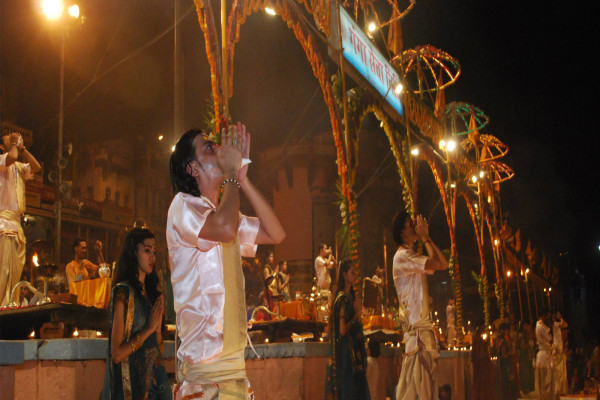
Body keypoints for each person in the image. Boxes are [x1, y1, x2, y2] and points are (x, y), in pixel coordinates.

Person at [167, 124, 285, 400]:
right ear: (192, 169)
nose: (218, 150)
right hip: (204, 376)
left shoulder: (227, 216)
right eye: (208, 147)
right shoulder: (182, 206)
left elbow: (275, 233)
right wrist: (231, 177)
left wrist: (242, 179)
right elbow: (224, 230)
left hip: (234, 371)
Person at [100, 227, 171, 399]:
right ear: (133, 252)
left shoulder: (150, 294)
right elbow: (117, 354)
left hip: (153, 387)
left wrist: (157, 328)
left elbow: (157, 347)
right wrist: (148, 329)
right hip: (131, 389)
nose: (152, 257)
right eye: (147, 251)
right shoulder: (123, 293)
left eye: (154, 252)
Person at [391, 212, 448, 400]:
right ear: (402, 231)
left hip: (421, 335)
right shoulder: (402, 257)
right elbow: (436, 263)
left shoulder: (411, 257)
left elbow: (443, 263)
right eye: (410, 224)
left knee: (425, 390)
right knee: (418, 392)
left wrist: (427, 237)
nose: (415, 227)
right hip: (417, 338)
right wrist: (424, 238)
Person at [0, 131, 41, 306]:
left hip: (16, 225)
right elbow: (12, 156)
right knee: (4, 270)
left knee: (16, 273)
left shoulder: (18, 166)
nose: (12, 139)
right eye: (8, 139)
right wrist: (15, 145)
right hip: (4, 224)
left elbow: (36, 167)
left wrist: (23, 148)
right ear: (2, 146)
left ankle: (12, 304)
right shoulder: (3, 160)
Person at [330, 258, 370, 400]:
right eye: (352, 272)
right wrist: (355, 316)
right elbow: (342, 330)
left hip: (353, 352)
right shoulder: (342, 300)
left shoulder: (349, 297)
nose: (355, 275)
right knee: (350, 391)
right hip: (348, 353)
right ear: (344, 274)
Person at [535, 312, 556, 400]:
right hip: (545, 355)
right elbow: (548, 338)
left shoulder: (539, 325)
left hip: (543, 354)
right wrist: (550, 337)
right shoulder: (541, 326)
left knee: (543, 381)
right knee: (546, 380)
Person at [496, 323, 518, 400]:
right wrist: (508, 353)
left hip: (508, 361)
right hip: (504, 362)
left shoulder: (507, 338)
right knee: (505, 380)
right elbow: (502, 352)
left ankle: (511, 396)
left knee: (510, 379)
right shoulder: (501, 339)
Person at [552, 311, 568, 395]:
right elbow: (564, 324)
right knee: (558, 370)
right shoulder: (555, 324)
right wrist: (560, 317)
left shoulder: (556, 324)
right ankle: (558, 389)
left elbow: (565, 325)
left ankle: (561, 389)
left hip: (559, 348)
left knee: (561, 369)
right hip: (557, 348)